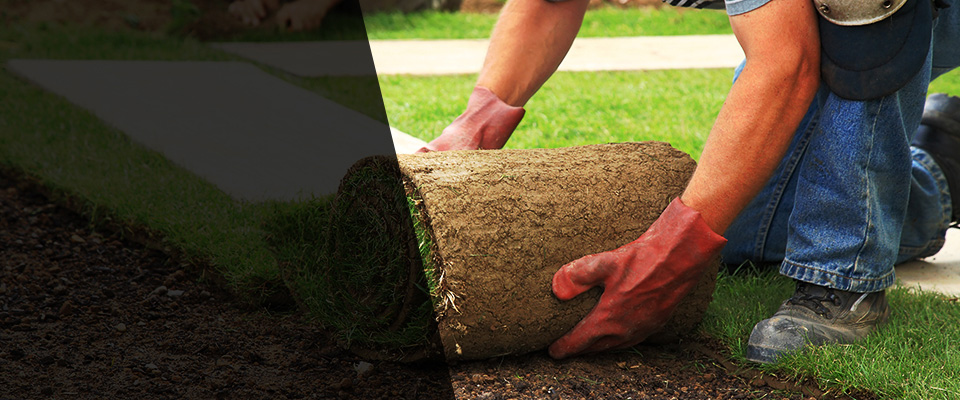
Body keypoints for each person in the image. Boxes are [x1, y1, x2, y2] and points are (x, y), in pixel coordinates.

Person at [417, 0, 960, 363]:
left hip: (875, 17)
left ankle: (844, 283)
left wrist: (675, 249)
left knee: (852, 12)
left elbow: (786, 63)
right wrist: (479, 122)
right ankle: (943, 155)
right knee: (746, 230)